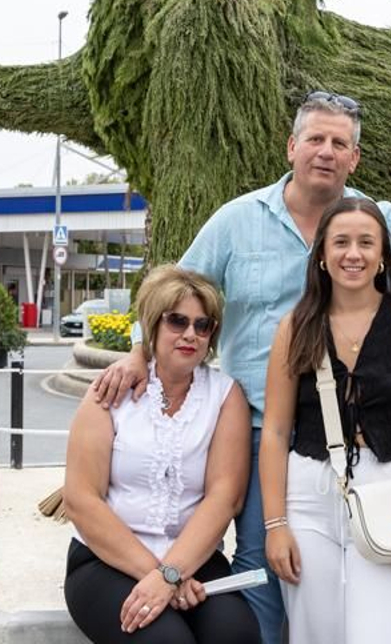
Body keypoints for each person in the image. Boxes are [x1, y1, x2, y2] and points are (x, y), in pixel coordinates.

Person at [91, 91, 391, 644]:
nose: (326, 152)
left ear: (355, 157)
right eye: (315, 139)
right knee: (266, 566)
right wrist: (139, 352)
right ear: (292, 147)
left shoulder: (374, 221)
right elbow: (175, 296)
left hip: (377, 445)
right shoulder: (237, 222)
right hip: (261, 431)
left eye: (340, 143)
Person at [259, 197, 391, 643]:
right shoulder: (296, 325)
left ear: (382, 255)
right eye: (340, 242)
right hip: (309, 494)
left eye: (366, 242)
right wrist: (275, 525)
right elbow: (276, 431)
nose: (353, 254)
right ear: (322, 254)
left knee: (380, 635)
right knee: (314, 635)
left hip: (390, 488)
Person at [61, 266, 260, 644]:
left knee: (237, 635)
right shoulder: (110, 392)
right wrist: (160, 576)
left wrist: (173, 573)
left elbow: (224, 498)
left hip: (194, 559)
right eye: (177, 321)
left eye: (203, 326)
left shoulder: (225, 396)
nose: (190, 334)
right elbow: (81, 500)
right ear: (153, 325)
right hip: (106, 561)